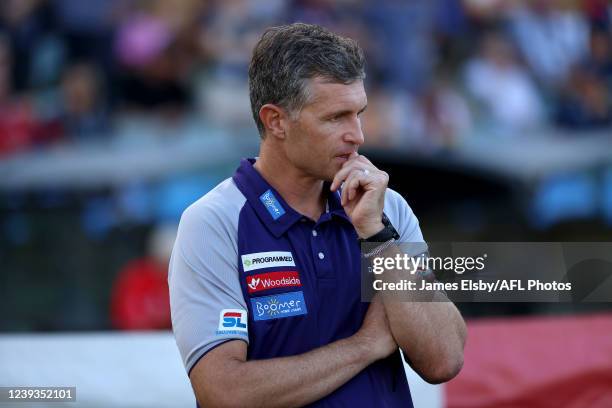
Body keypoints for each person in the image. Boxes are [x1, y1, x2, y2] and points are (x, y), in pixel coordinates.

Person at [169, 23, 466, 407]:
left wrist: (376, 237)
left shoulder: (387, 208)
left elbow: (444, 359)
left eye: (359, 113)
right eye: (335, 117)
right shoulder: (214, 222)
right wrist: (365, 345)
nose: (357, 135)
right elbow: (224, 394)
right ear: (275, 121)